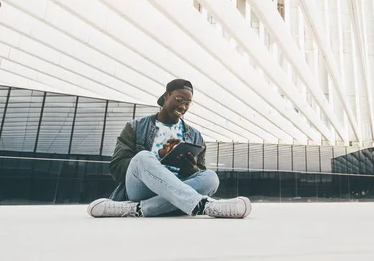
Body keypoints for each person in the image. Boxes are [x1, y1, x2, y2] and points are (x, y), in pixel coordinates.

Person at [87, 79, 251, 218]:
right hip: (142, 188)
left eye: (187, 103)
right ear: (166, 96)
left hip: (177, 190)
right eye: (179, 99)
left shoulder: (195, 136)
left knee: (211, 178)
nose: (183, 106)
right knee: (143, 157)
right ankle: (204, 206)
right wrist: (158, 156)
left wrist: (190, 168)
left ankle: (135, 209)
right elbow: (117, 167)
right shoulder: (136, 127)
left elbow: (199, 171)